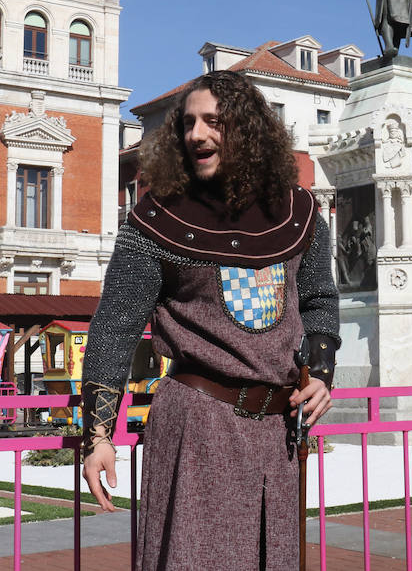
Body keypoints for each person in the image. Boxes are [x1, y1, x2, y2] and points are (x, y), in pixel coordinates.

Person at [80, 70, 340, 570]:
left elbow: (320, 302)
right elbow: (114, 329)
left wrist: (323, 374)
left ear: (248, 131)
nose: (196, 134)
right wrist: (98, 437)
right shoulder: (155, 220)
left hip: (278, 430)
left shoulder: (302, 213)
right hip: (197, 425)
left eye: (213, 122)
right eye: (188, 123)